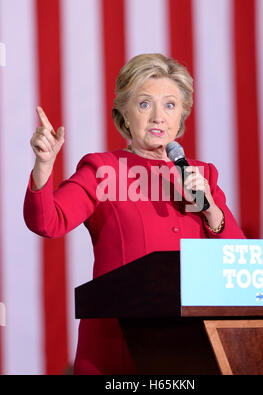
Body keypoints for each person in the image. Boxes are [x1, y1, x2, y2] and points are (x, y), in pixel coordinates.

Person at [24, 53, 245, 375]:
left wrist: (211, 209)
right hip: (118, 341)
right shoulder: (102, 169)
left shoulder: (202, 175)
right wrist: (43, 166)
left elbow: (237, 260)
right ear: (124, 114)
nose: (158, 116)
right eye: (144, 104)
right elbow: (48, 222)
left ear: (182, 114)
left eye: (170, 105)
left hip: (191, 341)